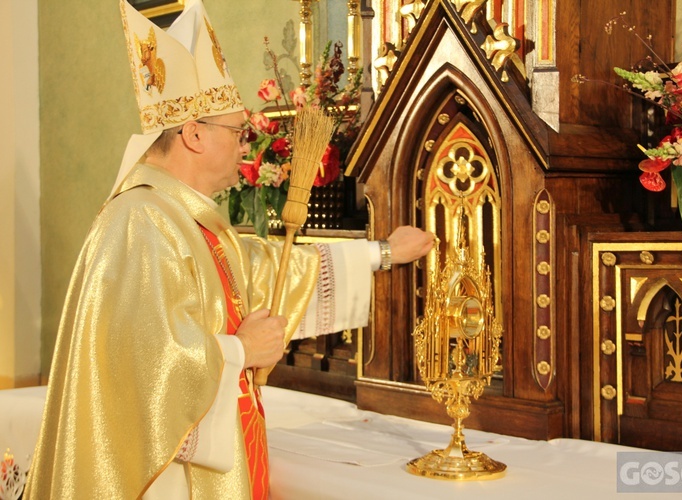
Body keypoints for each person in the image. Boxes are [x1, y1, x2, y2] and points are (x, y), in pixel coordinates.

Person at [23, 1, 434, 499]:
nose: (246, 146)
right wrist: (241, 350)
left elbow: (272, 269)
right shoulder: (139, 223)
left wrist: (382, 253)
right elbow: (142, 366)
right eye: (237, 131)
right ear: (193, 134)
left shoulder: (189, 219)